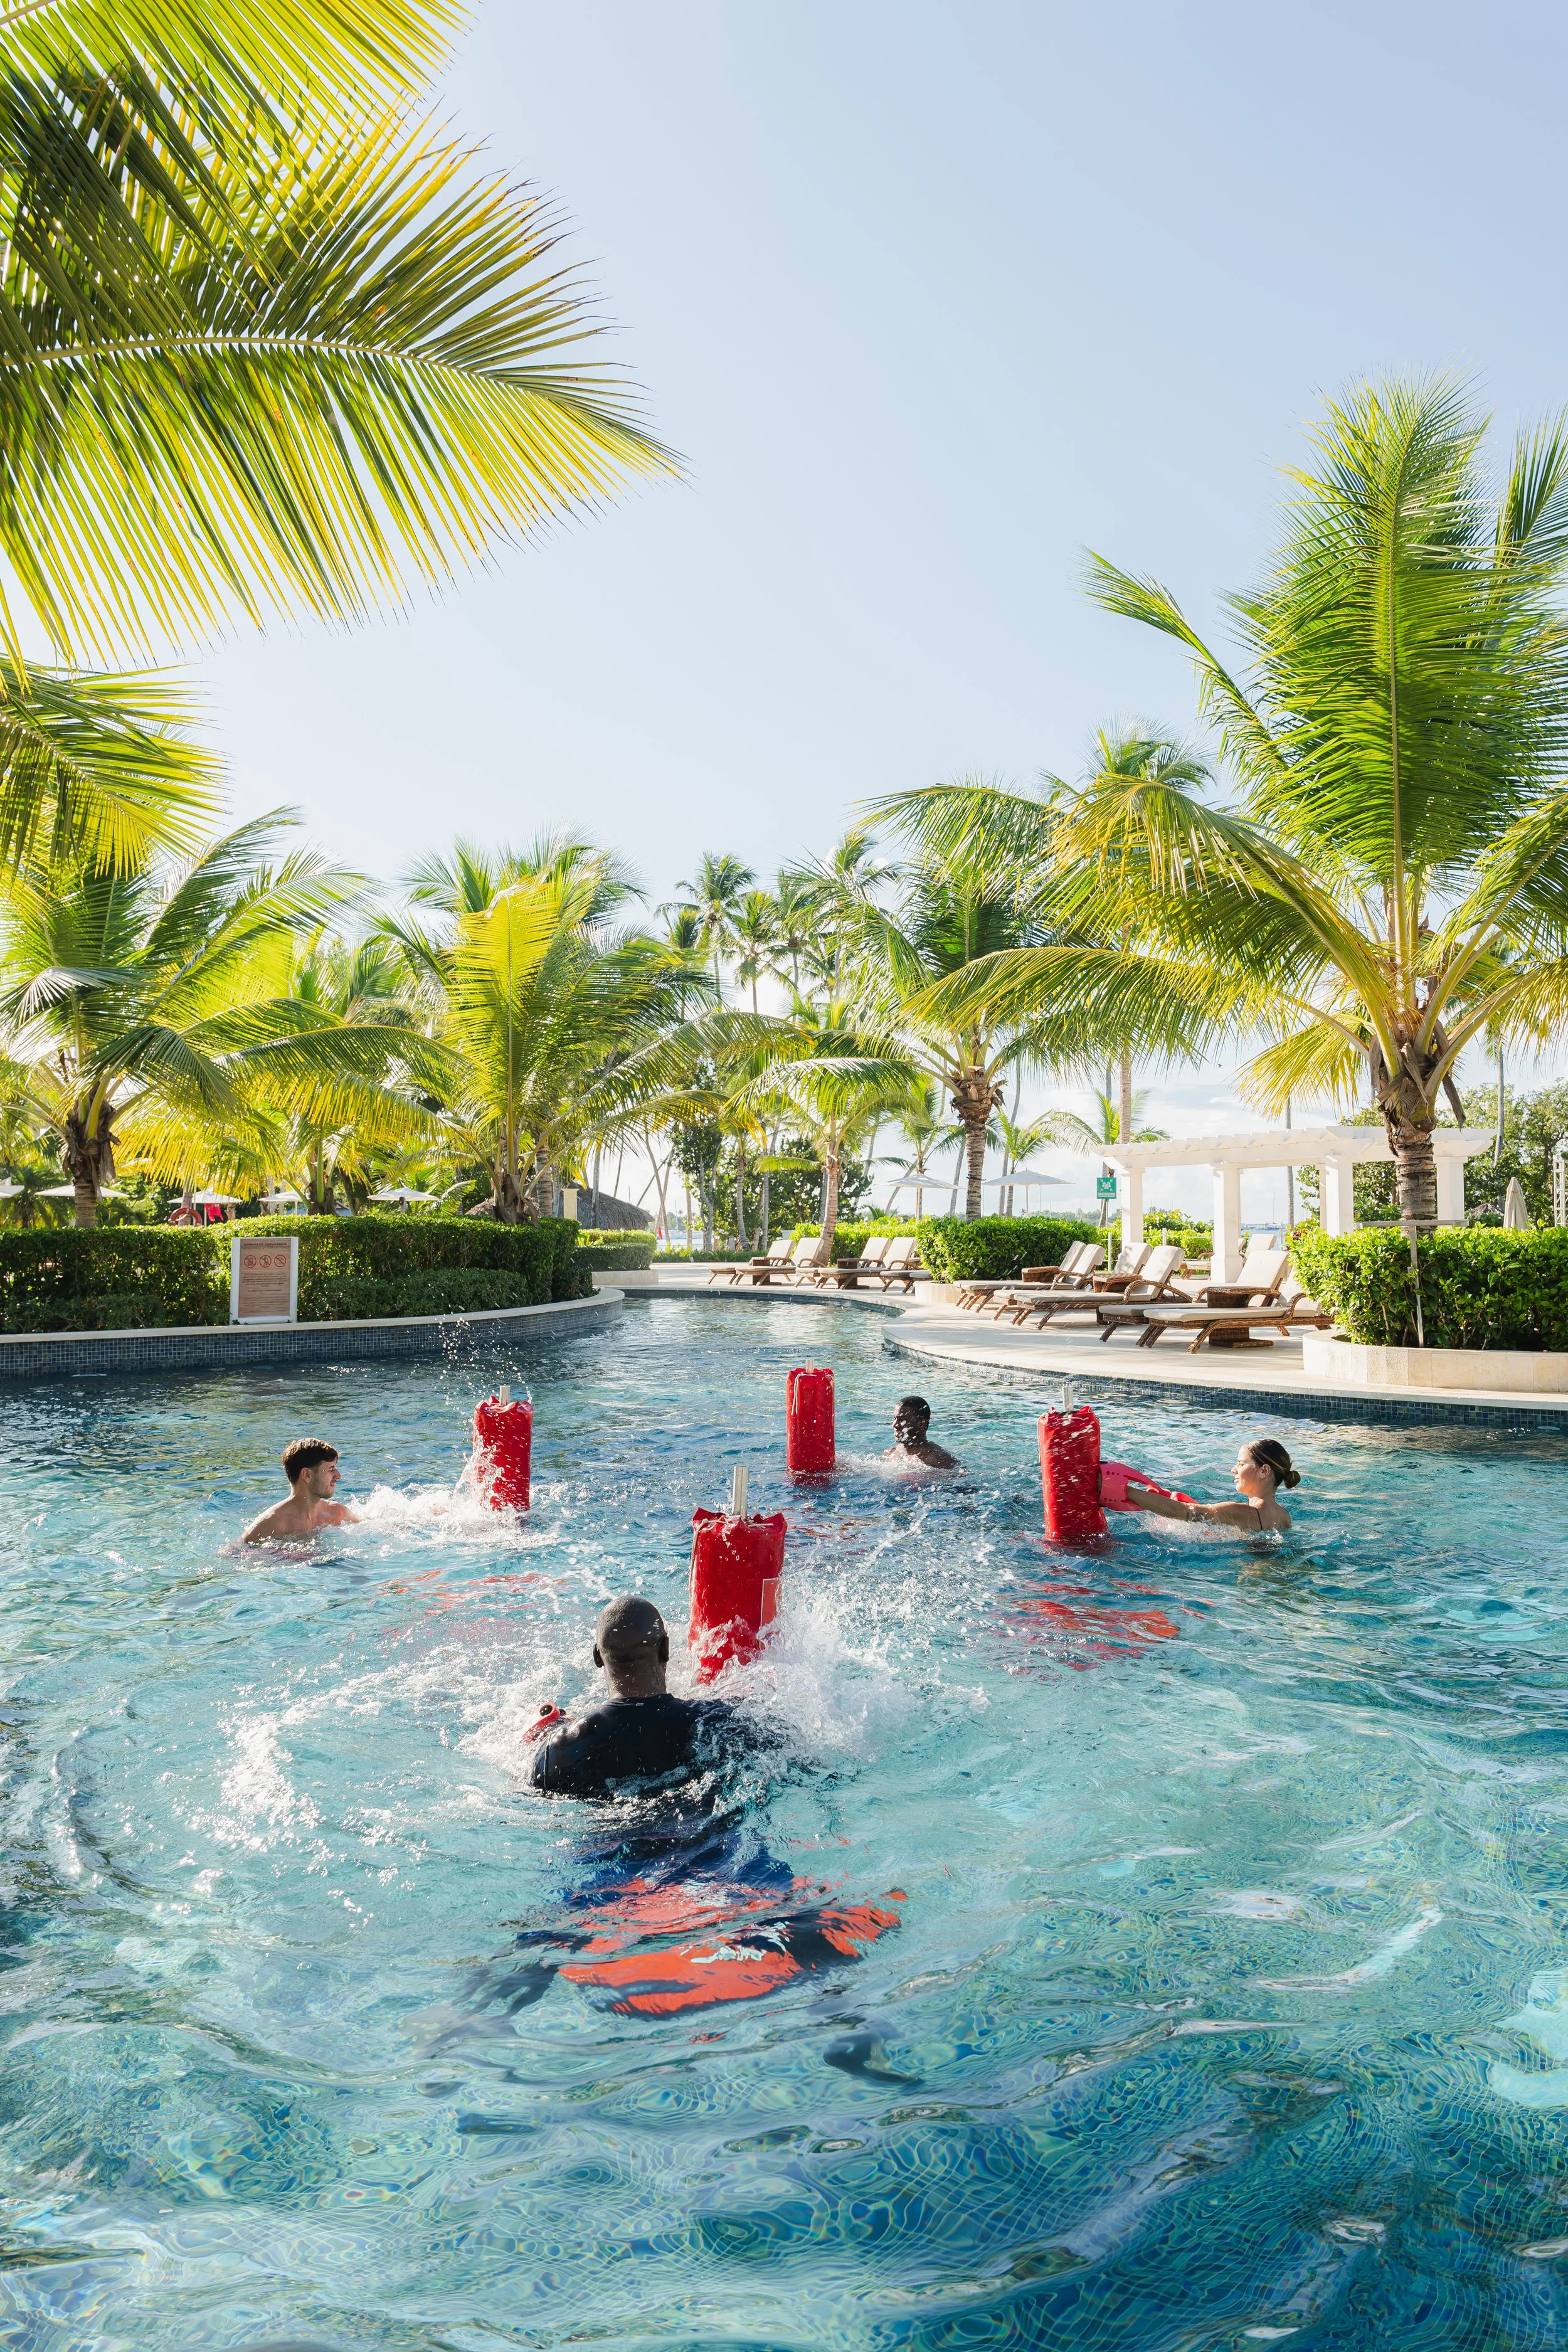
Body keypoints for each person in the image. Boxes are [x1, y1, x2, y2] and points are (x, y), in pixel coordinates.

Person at [529, 1596, 746, 1799]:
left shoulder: (560, 1749)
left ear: (597, 1656)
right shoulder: (715, 1722)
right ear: (665, 1649)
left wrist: (548, 1735)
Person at [1128, 1438, 1300, 1533]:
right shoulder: (1284, 1516)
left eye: (1241, 1464)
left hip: (1254, 1578)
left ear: (1264, 1471)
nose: (1234, 1470)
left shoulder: (1242, 1512)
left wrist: (1127, 1491)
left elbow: (1186, 1512)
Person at [242, 1438, 361, 1543]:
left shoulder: (337, 1513)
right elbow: (233, 1553)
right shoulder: (273, 1523)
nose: (338, 1476)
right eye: (331, 1469)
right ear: (307, 1475)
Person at [884, 1395, 958, 1470]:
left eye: (902, 1420)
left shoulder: (940, 1460)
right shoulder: (890, 1453)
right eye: (895, 1419)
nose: (895, 1425)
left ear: (922, 1424)